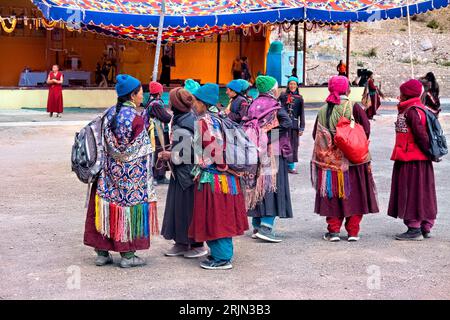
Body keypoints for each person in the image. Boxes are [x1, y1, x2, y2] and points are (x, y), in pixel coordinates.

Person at [83, 74, 158, 268]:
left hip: (108, 175)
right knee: (128, 210)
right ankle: (128, 256)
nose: (143, 95)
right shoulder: (137, 119)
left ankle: (102, 253)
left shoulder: (109, 114)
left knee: (105, 207)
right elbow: (144, 150)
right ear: (133, 95)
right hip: (131, 179)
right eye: (141, 92)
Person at [311, 75, 379, 242]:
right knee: (355, 195)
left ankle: (333, 231)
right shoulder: (353, 107)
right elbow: (366, 130)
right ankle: (353, 232)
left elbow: (315, 135)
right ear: (347, 89)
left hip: (330, 163)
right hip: (353, 161)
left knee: (332, 195)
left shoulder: (322, 109)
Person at [189, 83, 249, 270]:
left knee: (216, 216)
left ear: (203, 103)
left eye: (195, 101)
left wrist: (224, 166)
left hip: (215, 177)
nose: (193, 104)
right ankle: (222, 253)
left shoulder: (203, 121)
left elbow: (212, 148)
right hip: (227, 178)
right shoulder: (221, 116)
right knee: (223, 215)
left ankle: (222, 258)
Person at [160, 87, 208, 259]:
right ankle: (181, 242)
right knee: (180, 208)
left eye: (171, 100)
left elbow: (183, 156)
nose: (169, 103)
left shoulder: (183, 123)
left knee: (186, 209)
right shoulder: (188, 117)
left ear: (176, 104)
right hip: (186, 174)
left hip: (186, 175)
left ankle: (195, 245)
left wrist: (167, 155)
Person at [245, 75, 293, 243]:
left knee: (257, 183)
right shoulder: (274, 105)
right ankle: (266, 227)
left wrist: (259, 137)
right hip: (272, 153)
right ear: (272, 89)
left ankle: (256, 225)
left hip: (254, 151)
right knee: (273, 185)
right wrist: (270, 136)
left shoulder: (252, 104)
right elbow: (287, 123)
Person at [388, 79, 437, 241]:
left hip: (412, 160)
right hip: (419, 160)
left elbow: (421, 135)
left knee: (412, 192)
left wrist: (429, 151)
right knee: (423, 192)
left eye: (401, 93)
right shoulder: (417, 109)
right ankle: (425, 225)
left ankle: (414, 228)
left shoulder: (411, 111)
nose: (399, 96)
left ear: (406, 94)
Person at [144, 81, 172, 185]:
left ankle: (159, 176)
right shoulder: (156, 104)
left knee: (159, 152)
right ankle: (157, 176)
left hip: (157, 132)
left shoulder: (150, 102)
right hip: (157, 134)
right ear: (159, 92)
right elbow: (165, 117)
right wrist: (172, 117)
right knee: (159, 153)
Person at [279, 76, 305, 174]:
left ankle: (291, 166)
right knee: (283, 143)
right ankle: (283, 164)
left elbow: (301, 114)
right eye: (290, 84)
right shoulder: (282, 96)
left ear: (297, 86)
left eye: (294, 84)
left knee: (293, 145)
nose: (292, 86)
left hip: (294, 126)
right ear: (288, 85)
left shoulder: (300, 98)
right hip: (283, 125)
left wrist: (302, 127)